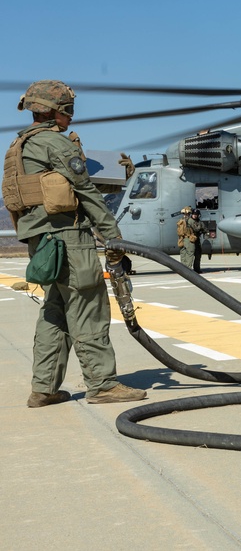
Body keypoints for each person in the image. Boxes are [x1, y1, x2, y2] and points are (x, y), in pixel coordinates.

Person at [2, 80, 146, 407]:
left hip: (42, 241)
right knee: (89, 307)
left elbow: (57, 192)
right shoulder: (56, 143)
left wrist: (118, 179)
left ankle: (44, 387)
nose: (72, 117)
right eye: (69, 110)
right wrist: (113, 238)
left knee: (56, 311)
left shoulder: (20, 147)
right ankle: (103, 385)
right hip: (69, 241)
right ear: (56, 111)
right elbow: (85, 193)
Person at [177, 205, 205, 271]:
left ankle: (183, 269)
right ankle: (188, 270)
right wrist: (201, 227)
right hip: (189, 239)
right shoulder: (190, 221)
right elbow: (196, 229)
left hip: (181, 239)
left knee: (183, 254)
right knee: (190, 254)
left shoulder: (181, 220)